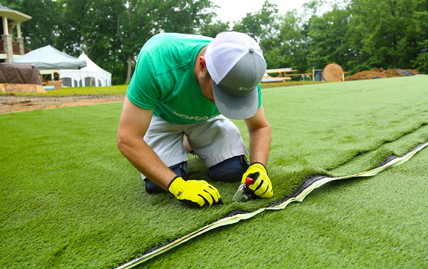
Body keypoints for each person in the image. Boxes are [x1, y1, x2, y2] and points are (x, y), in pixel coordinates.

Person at [117, 31, 273, 207]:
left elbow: (260, 127)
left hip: (206, 119)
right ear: (202, 65)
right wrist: (177, 185)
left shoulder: (244, 71)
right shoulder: (156, 59)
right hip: (162, 116)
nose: (227, 104)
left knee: (232, 171)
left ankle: (191, 142)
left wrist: (259, 166)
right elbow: (127, 139)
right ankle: (184, 141)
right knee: (158, 184)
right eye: (221, 95)